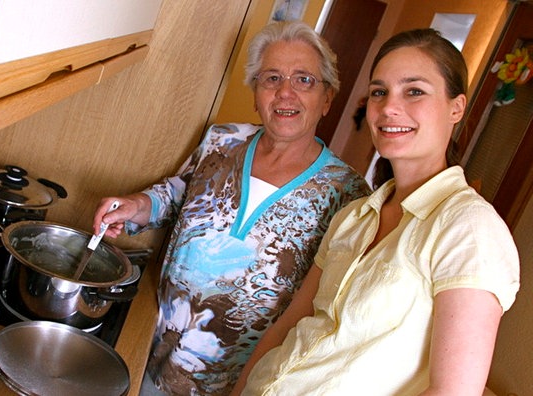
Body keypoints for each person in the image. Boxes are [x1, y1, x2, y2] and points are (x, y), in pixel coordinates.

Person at [232, 28, 521, 396]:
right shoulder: (354, 217)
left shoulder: (469, 228)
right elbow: (291, 323)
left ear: (456, 107)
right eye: (380, 92)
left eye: (414, 91)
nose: (388, 108)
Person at [91, 21, 370, 395]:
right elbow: (180, 193)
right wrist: (137, 205)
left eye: (304, 80)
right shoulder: (223, 140)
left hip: (239, 385)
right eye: (271, 78)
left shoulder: (348, 194)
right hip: (153, 350)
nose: (285, 92)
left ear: (327, 99)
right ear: (256, 93)